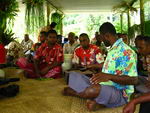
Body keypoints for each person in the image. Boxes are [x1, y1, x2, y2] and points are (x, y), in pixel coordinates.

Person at [63, 22, 138, 111]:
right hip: (105, 84)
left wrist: (108, 76)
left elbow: (134, 80)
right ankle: (96, 99)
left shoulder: (126, 51)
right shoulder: (113, 49)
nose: (101, 40)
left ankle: (79, 94)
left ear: (106, 36)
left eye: (101, 38)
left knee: (92, 90)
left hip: (120, 92)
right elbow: (110, 65)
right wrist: (96, 69)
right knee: (75, 76)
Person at [123, 36, 150, 113]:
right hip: (147, 81)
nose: (138, 50)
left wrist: (135, 101)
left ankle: (144, 95)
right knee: (135, 78)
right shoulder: (145, 56)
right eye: (138, 48)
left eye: (141, 48)